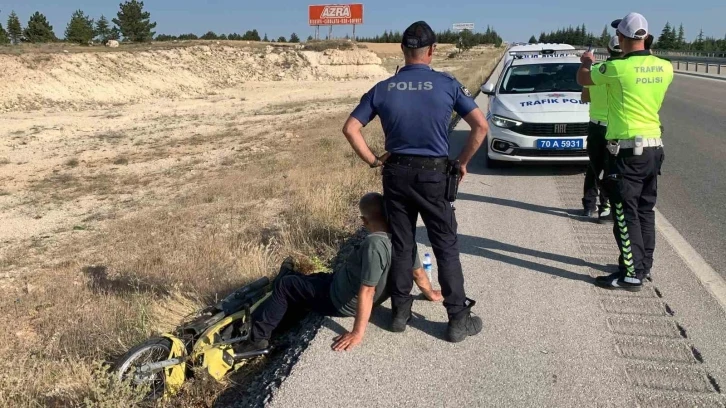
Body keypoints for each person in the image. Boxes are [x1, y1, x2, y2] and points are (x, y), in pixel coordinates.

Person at [341, 21, 489, 342]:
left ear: (403, 50)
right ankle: (457, 319)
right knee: (445, 246)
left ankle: (399, 314)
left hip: (396, 173)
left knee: (402, 243)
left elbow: (350, 128)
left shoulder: (384, 88)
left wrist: (373, 160)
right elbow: (480, 126)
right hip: (434, 175)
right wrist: (462, 163)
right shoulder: (447, 84)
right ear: (432, 50)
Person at [240, 192, 442, 353]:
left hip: (339, 300)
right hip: (337, 282)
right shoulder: (403, 239)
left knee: (286, 285)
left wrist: (357, 333)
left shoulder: (374, 244)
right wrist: (431, 293)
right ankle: (286, 287)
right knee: (307, 279)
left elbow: (368, 291)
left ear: (364, 220)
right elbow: (418, 274)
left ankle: (256, 340)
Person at [577, 12, 673, 291]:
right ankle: (643, 265)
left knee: (624, 212)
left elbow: (583, 79)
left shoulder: (617, 68)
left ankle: (631, 273)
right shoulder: (665, 67)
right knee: (645, 210)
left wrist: (586, 62)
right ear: (646, 37)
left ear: (620, 37)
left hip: (628, 152)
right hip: (654, 148)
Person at [580, 35, 622, 223]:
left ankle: (589, 206)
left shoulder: (596, 71)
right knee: (611, 168)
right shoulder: (624, 73)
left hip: (595, 126)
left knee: (594, 167)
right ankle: (605, 207)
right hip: (615, 128)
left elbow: (585, 97)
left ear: (608, 49)